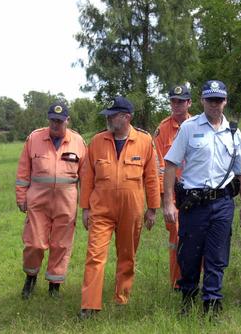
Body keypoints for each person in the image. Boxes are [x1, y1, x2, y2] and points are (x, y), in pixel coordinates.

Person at [162, 80, 241, 316]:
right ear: (202, 100)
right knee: (189, 254)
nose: (214, 104)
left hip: (223, 203)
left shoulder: (234, 132)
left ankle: (212, 301)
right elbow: (170, 163)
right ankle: (188, 296)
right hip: (194, 204)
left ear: (225, 101)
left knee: (217, 254)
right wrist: (168, 202)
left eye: (219, 100)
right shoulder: (189, 128)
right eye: (210, 99)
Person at [78, 97, 160, 318]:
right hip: (101, 209)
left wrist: (153, 208)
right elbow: (87, 178)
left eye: (113, 115)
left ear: (126, 117)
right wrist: (84, 208)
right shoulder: (96, 141)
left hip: (131, 210)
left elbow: (152, 177)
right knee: (95, 255)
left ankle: (121, 298)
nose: (109, 118)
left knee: (127, 255)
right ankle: (90, 306)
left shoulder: (144, 141)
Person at [16, 102, 86, 299]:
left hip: (66, 202)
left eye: (59, 121)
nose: (55, 124)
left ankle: (54, 285)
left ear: (67, 120)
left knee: (61, 245)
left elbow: (86, 177)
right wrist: (21, 196)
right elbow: (23, 171)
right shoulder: (34, 138)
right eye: (52, 120)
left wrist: (87, 205)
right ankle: (30, 278)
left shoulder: (78, 142)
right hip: (38, 202)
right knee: (34, 243)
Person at [154, 84, 192, 290]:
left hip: (195, 191)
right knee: (177, 236)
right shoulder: (163, 129)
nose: (176, 105)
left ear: (189, 103)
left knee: (197, 235)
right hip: (173, 192)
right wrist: (164, 197)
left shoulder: (197, 124)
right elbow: (158, 164)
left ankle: (195, 278)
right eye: (173, 101)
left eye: (181, 101)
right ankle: (178, 283)